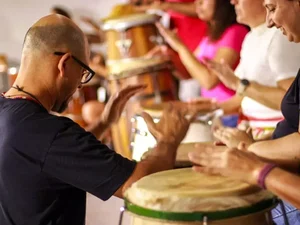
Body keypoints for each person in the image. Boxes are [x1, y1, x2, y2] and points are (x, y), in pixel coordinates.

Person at [0, 14, 195, 225]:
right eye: (83, 71)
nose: (80, 85)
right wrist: (169, 141)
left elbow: (54, 156)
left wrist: (105, 122)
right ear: (64, 64)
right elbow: (138, 184)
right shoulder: (48, 132)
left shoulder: (10, 112)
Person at [188, 0, 300, 224]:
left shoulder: (279, 42)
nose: (270, 21)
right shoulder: (251, 38)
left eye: (272, 7)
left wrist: (251, 155)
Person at [196, 0, 300, 140]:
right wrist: (211, 108)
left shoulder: (280, 38)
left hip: (277, 133)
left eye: (272, 8)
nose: (233, 2)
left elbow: (292, 101)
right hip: (255, 129)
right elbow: (246, 97)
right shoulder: (250, 37)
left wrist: (240, 85)